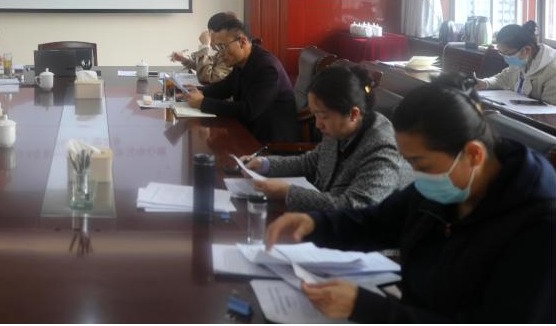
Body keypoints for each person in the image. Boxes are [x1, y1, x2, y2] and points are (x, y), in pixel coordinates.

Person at [264, 74, 556, 323]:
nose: (415, 174)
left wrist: (366, 307)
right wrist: (314, 224)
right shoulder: (447, 183)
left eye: (421, 163)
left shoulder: (539, 226)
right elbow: (377, 222)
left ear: (473, 154)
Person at [243, 65, 411, 211]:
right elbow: (311, 162)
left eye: (323, 116)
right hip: (328, 222)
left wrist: (288, 192)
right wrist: (265, 164)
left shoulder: (382, 147)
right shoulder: (340, 129)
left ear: (353, 114)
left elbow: (356, 206)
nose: (317, 124)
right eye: (315, 115)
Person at [183, 18, 299, 142]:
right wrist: (197, 91)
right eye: (217, 48)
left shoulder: (267, 68)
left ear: (242, 42)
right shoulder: (243, 62)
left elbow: (248, 110)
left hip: (271, 143)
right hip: (248, 132)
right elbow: (223, 88)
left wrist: (202, 103)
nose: (220, 53)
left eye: (223, 47)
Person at [477, 20, 556, 104]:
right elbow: (503, 78)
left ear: (526, 50)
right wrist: (484, 83)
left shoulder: (552, 70)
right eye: (502, 53)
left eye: (508, 54)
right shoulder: (522, 60)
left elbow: (550, 107)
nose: (506, 58)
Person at [170, 11, 236, 84]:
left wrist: (205, 46)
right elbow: (205, 67)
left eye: (210, 32)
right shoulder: (222, 52)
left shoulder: (230, 54)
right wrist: (184, 59)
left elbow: (206, 78)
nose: (209, 36)